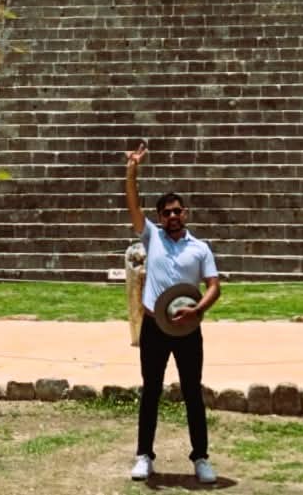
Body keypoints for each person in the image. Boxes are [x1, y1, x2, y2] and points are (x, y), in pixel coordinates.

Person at [124, 141, 221, 484]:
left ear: (186, 213)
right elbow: (133, 204)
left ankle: (201, 458)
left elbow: (214, 286)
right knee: (150, 390)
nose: (172, 217)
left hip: (188, 328)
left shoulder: (201, 248)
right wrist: (132, 170)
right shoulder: (152, 237)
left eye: (177, 211)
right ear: (160, 218)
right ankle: (144, 455)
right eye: (166, 213)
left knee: (193, 392)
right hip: (154, 326)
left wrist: (198, 310)